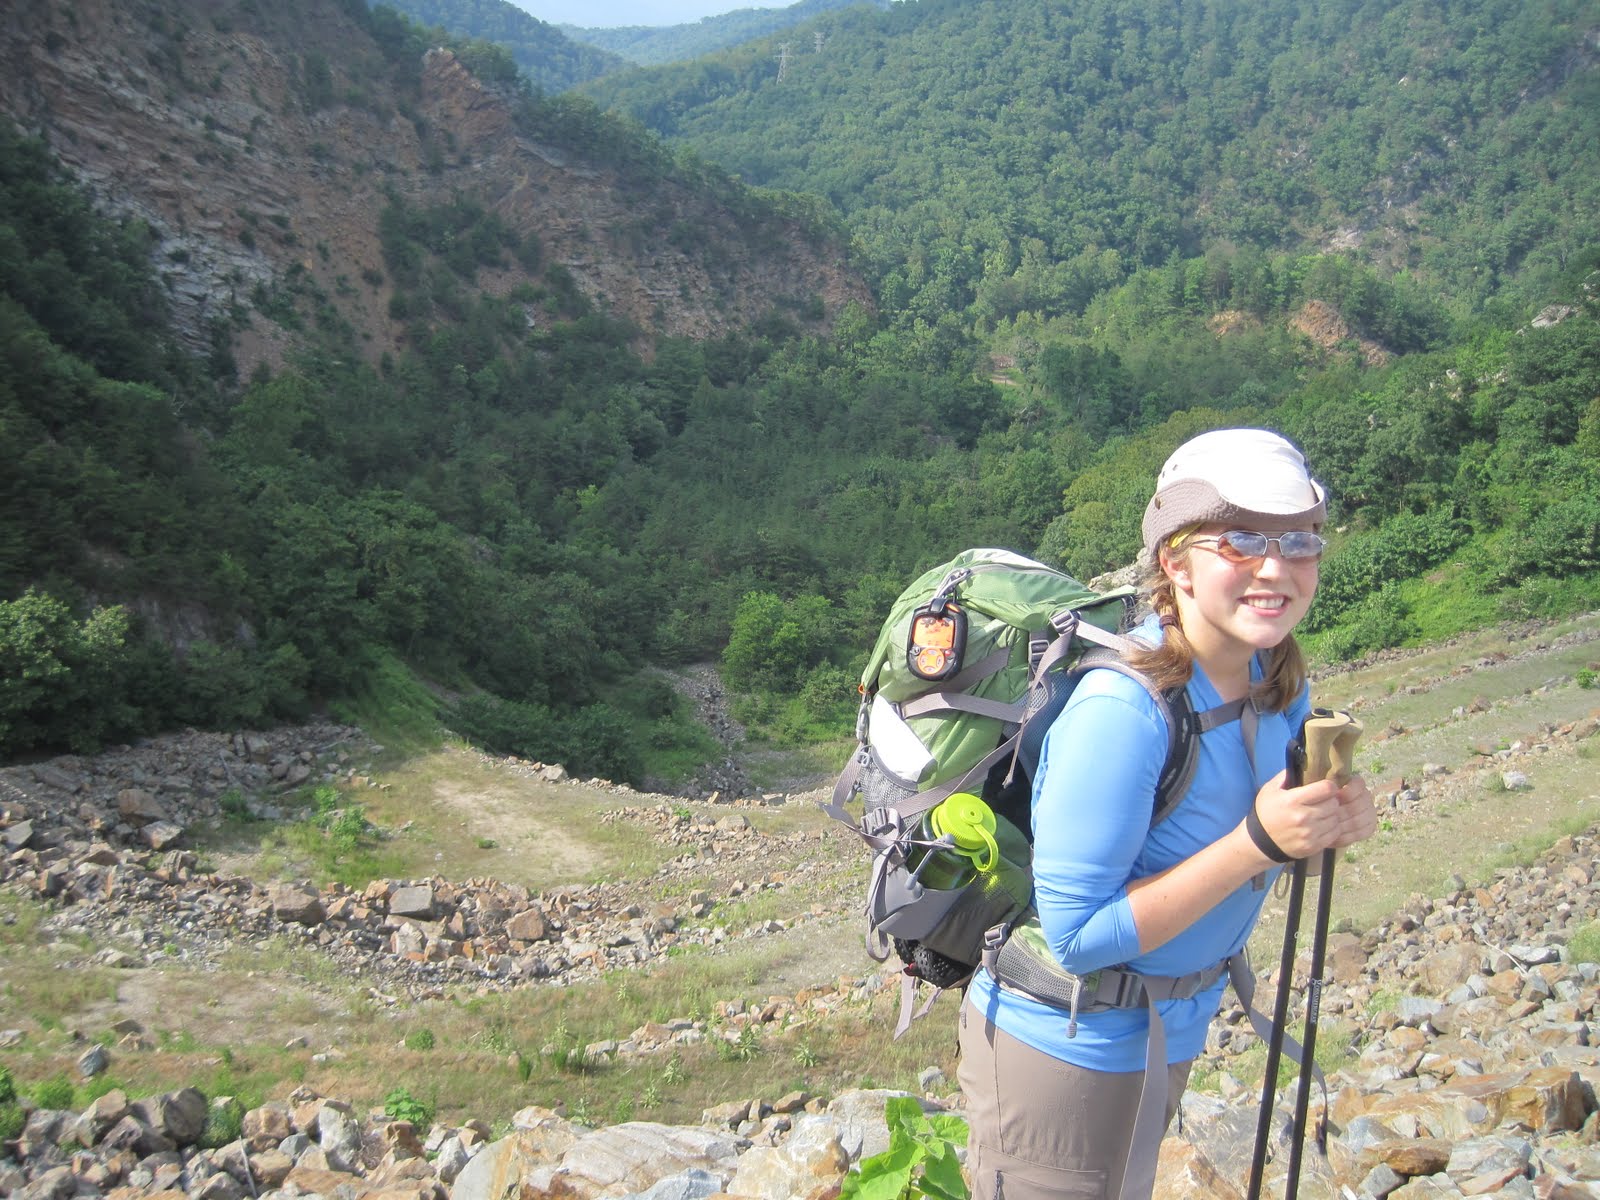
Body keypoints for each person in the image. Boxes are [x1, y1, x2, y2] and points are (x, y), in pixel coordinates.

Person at [957, 428, 1377, 1200]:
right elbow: (1079, 937)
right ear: (1175, 561)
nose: (1275, 567)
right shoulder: (1124, 710)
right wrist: (1257, 842)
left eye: (1300, 542)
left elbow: (1279, 851)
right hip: (1064, 1051)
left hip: (1167, 1030)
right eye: (1241, 540)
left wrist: (1323, 826)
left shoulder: (1276, 680)